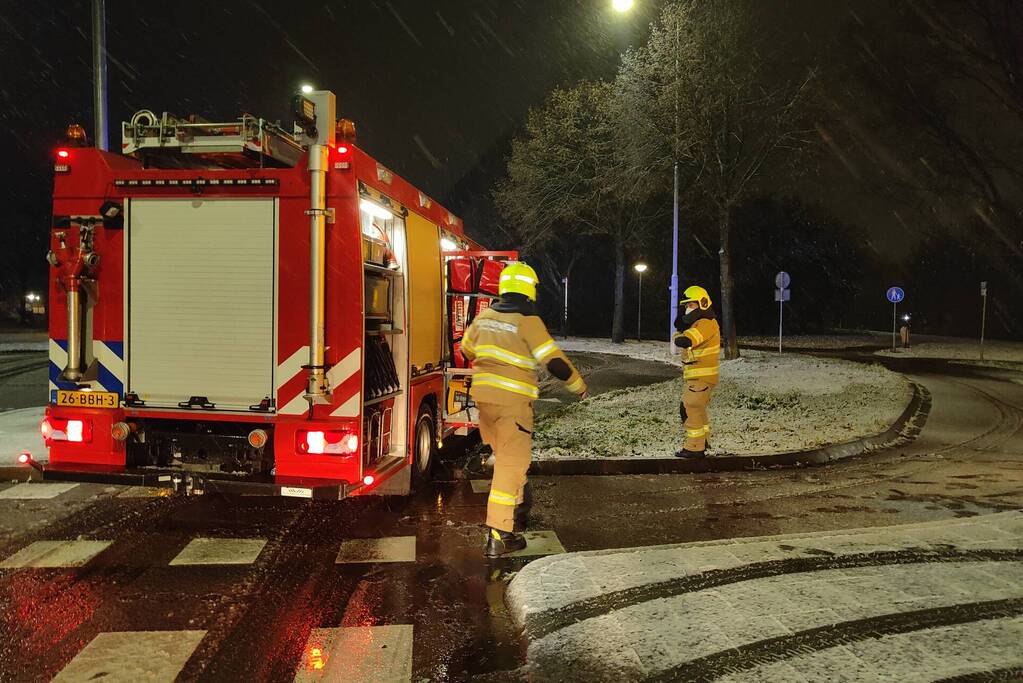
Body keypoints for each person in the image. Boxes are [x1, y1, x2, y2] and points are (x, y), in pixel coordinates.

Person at [461, 262, 588, 557]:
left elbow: (468, 350)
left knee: (508, 458)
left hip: (484, 402)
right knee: (511, 465)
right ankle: (498, 533)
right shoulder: (528, 321)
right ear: (529, 290)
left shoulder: (484, 317)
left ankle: (516, 519)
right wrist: (579, 385)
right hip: (513, 405)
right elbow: (554, 362)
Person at [672, 285, 721, 458]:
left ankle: (694, 447)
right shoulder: (701, 322)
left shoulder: (705, 323)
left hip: (701, 377)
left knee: (689, 407)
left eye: (691, 305)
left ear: (702, 304)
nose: (687, 309)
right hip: (698, 377)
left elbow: (686, 340)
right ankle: (703, 441)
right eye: (686, 306)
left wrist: (678, 335)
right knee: (697, 409)